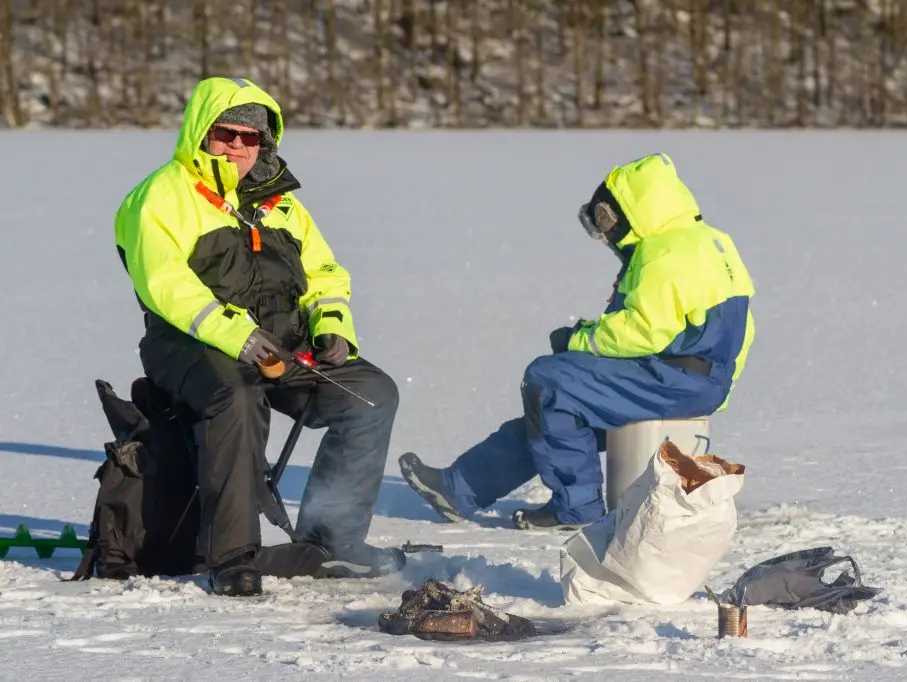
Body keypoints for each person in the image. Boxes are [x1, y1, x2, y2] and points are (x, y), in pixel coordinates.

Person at [113, 76, 404, 596]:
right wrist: (240, 338)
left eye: (253, 138)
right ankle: (232, 557)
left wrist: (332, 328)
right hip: (190, 346)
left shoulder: (281, 203)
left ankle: (331, 541)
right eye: (227, 133)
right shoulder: (160, 196)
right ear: (202, 132)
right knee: (238, 396)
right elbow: (166, 287)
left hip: (280, 348)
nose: (239, 147)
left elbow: (325, 276)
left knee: (371, 396)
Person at [400, 153, 755, 530]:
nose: (606, 230)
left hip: (671, 380)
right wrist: (719, 386)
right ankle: (458, 488)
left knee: (548, 380)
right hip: (691, 381)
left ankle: (577, 509)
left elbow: (642, 331)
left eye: (607, 217)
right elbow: (742, 329)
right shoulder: (712, 242)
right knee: (556, 411)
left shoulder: (662, 252)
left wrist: (577, 341)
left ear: (635, 209)